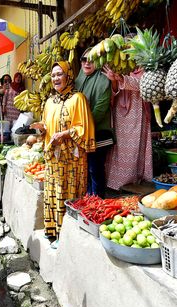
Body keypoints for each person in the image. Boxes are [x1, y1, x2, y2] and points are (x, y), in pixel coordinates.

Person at [31, 61, 95, 247]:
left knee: (70, 193)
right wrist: (41, 130)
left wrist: (64, 134)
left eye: (60, 74)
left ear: (69, 76)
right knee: (53, 192)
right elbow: (47, 127)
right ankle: (52, 229)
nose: (56, 78)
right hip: (54, 159)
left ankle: (66, 235)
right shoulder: (49, 102)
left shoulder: (78, 99)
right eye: (53, 75)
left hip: (73, 160)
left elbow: (84, 128)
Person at [102, 65, 153, 190]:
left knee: (135, 146)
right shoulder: (122, 65)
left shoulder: (147, 68)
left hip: (138, 112)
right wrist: (114, 80)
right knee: (119, 146)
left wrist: (121, 78)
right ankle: (115, 183)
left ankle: (132, 182)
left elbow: (145, 86)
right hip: (120, 112)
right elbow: (114, 91)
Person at [75, 49, 113, 198]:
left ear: (99, 61)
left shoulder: (104, 81)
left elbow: (100, 110)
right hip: (80, 133)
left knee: (94, 169)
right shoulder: (78, 80)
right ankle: (88, 202)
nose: (87, 62)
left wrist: (81, 129)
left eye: (91, 59)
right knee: (85, 170)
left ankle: (97, 203)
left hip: (98, 132)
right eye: (84, 59)